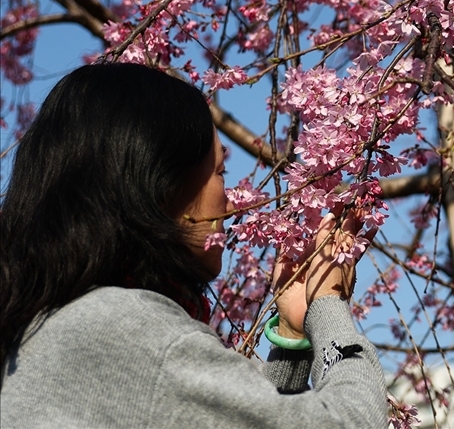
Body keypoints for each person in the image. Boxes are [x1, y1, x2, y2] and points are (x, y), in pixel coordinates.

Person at [0, 63, 388, 428]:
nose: (233, 202)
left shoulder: (49, 327)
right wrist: (329, 304)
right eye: (220, 172)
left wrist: (289, 336)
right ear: (162, 184)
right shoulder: (130, 330)